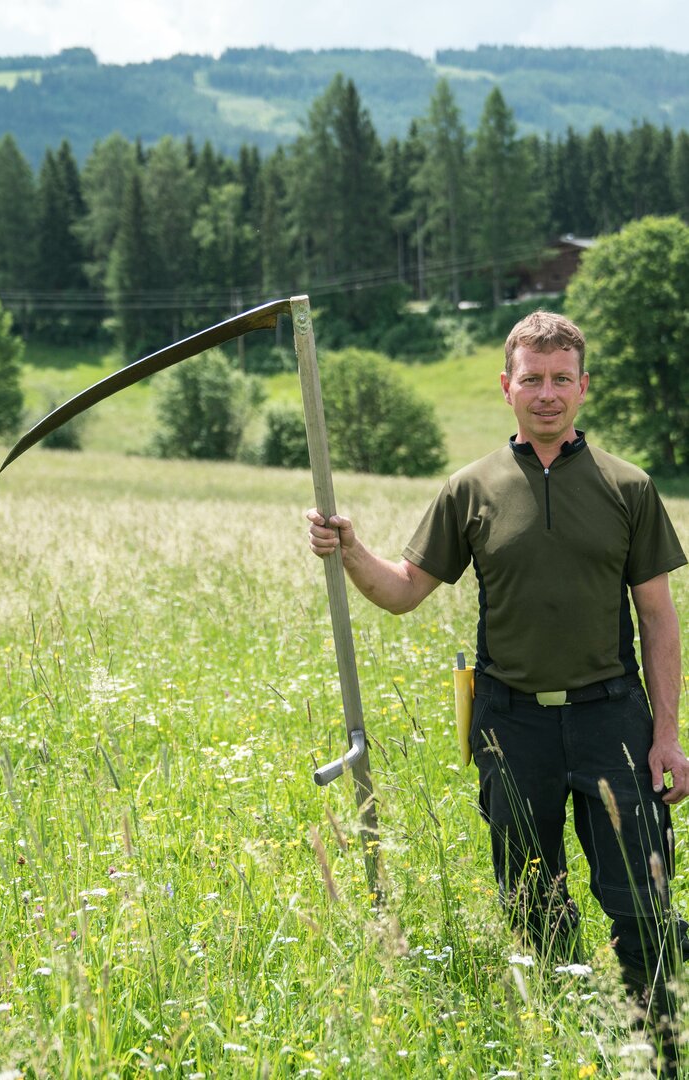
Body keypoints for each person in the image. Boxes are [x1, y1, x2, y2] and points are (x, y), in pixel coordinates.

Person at [307, 310, 687, 1064]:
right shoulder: (470, 488)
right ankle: (562, 1044)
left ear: (583, 387)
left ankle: (661, 1049)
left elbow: (658, 620)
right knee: (534, 902)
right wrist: (350, 550)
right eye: (532, 379)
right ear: (506, 386)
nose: (547, 393)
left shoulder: (628, 487)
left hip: (613, 717)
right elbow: (403, 589)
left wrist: (668, 736)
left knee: (641, 903)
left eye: (561, 379)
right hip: (510, 725)